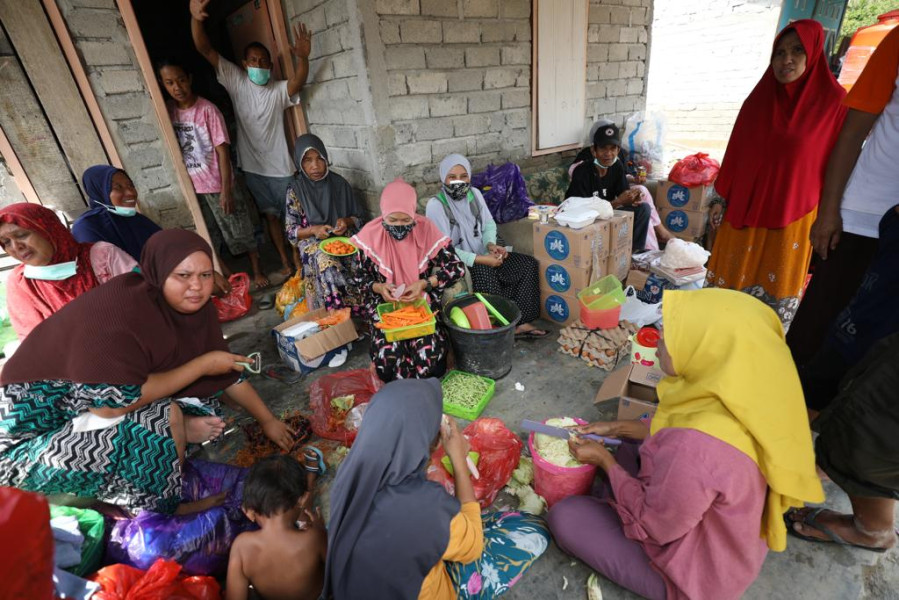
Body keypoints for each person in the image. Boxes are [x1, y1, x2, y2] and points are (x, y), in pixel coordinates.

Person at [547, 288, 823, 600]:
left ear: (708, 348)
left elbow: (656, 525)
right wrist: (617, 425)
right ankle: (615, 494)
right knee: (626, 444)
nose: (660, 338)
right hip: (722, 535)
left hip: (697, 574)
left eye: (672, 333)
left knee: (566, 517)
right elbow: (671, 426)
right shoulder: (748, 392)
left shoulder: (694, 449)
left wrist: (604, 462)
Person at [0, 229, 295, 515]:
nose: (197, 286)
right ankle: (151, 507)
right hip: (22, 446)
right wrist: (203, 366)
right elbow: (110, 407)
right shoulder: (124, 310)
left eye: (205, 275)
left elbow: (226, 367)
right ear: (158, 271)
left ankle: (165, 467)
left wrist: (268, 420)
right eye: (183, 276)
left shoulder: (188, 306)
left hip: (84, 408)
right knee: (163, 418)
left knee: (168, 410)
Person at [323, 379, 549, 600]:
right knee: (532, 528)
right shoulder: (422, 504)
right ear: (431, 444)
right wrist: (459, 461)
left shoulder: (350, 475)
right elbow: (472, 547)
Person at [705, 20, 847, 328]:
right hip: (741, 217)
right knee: (725, 302)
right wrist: (720, 197)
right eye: (779, 53)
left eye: (797, 51)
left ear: (814, 53)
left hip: (793, 220)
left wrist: (831, 214)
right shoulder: (757, 102)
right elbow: (735, 153)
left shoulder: (834, 104)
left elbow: (841, 164)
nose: (787, 60)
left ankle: (758, 366)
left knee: (770, 309)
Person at [788, 25, 899, 365]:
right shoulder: (897, 42)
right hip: (862, 218)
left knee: (877, 348)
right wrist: (829, 212)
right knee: (816, 331)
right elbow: (851, 135)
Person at [190, 0, 311, 278]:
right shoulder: (237, 81)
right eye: (253, 61)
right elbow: (205, 49)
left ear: (270, 65)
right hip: (254, 170)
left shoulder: (277, 91)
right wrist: (195, 19)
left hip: (282, 170)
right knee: (269, 217)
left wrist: (302, 58)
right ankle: (284, 260)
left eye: (263, 61)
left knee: (293, 219)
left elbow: (297, 83)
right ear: (245, 64)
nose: (258, 65)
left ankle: (298, 261)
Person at [158, 59, 269, 291]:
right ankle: (227, 277)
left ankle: (258, 271)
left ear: (189, 79)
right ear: (163, 85)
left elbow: (222, 151)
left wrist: (226, 190)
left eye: (180, 80)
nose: (177, 87)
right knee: (210, 235)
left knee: (241, 229)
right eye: (169, 83)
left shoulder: (207, 110)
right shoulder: (168, 110)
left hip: (218, 183)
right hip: (193, 187)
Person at [351, 179, 464, 382]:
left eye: (406, 221)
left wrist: (425, 283)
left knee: (431, 365)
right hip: (386, 309)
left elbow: (456, 268)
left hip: (421, 308)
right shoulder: (370, 235)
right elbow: (359, 278)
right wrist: (379, 287)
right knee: (389, 365)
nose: (400, 226)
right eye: (393, 220)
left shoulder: (426, 229)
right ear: (384, 215)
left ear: (414, 215)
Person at [426, 154, 547, 338]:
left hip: (484, 254)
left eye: (463, 176)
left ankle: (521, 322)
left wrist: (491, 245)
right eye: (452, 177)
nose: (458, 182)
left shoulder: (474, 194)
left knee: (527, 264)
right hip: (462, 263)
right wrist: (481, 259)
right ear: (443, 178)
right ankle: (502, 328)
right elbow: (444, 250)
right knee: (484, 272)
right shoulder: (436, 206)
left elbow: (489, 225)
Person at [0, 203, 137, 339]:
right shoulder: (20, 283)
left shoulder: (102, 256)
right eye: (6, 242)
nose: (16, 246)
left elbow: (141, 302)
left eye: (21, 235)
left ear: (47, 229)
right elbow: (33, 342)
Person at [226, 454, 326, 600]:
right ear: (302, 500)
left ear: (248, 511)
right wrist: (320, 529)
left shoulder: (241, 547)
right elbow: (341, 570)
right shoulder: (314, 538)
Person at [286, 133, 364, 312]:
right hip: (312, 242)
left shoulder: (339, 183)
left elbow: (359, 218)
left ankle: (362, 311)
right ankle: (336, 315)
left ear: (326, 159)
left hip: (342, 238)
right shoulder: (295, 190)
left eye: (319, 159)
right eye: (307, 160)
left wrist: (346, 221)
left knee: (361, 255)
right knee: (326, 262)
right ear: (300, 163)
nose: (315, 166)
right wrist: (313, 230)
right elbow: (291, 231)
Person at [568, 120, 672, 250]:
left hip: (610, 214)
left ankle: (636, 253)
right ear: (593, 150)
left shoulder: (616, 166)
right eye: (603, 148)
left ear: (618, 150)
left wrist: (632, 198)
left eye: (613, 149)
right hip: (586, 221)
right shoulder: (582, 172)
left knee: (643, 209)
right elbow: (579, 212)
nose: (608, 154)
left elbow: (623, 193)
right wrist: (617, 202)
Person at [72, 165, 163, 262]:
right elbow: (104, 269)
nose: (130, 193)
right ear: (99, 191)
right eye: (118, 187)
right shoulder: (86, 227)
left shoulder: (139, 220)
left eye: (130, 185)